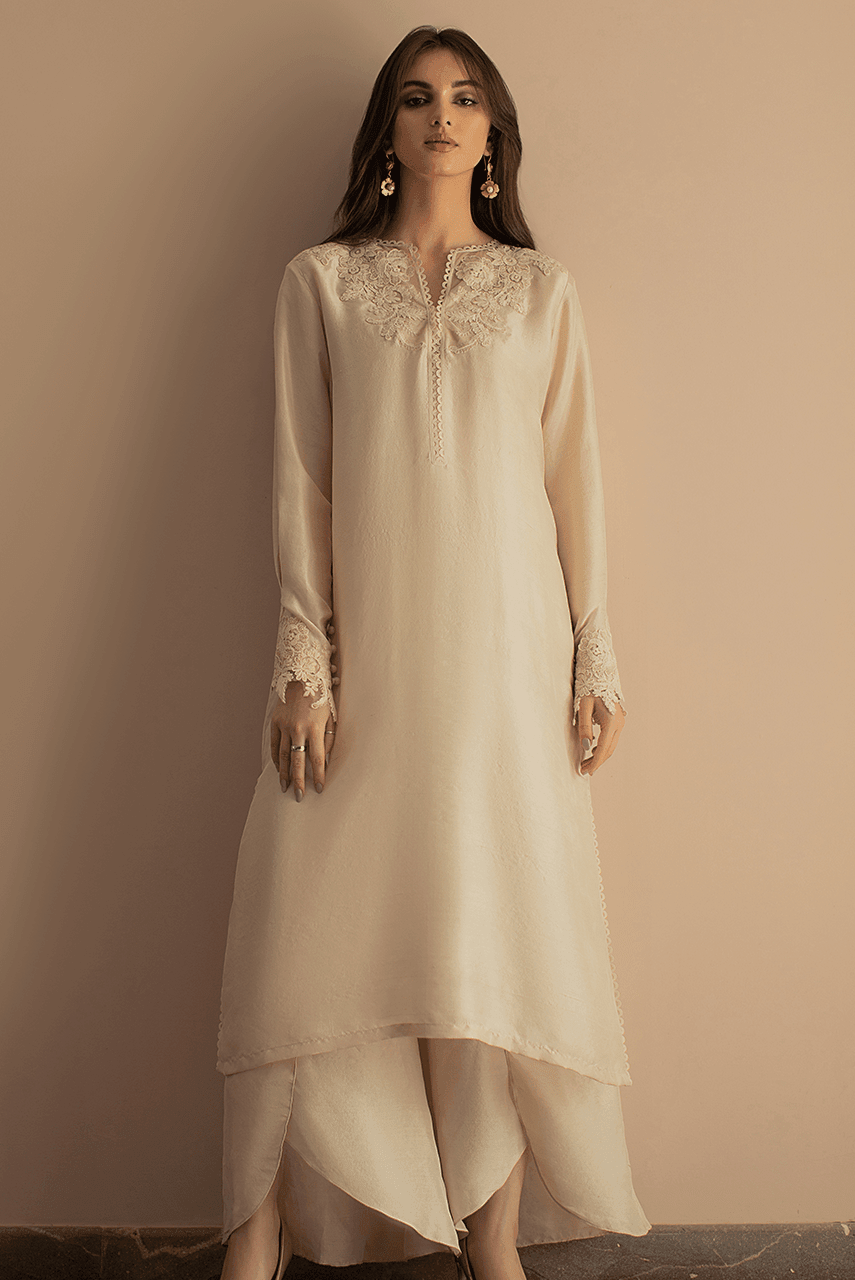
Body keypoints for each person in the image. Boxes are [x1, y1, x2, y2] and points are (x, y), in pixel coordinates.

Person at [217, 25, 651, 1280]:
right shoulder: (320, 283)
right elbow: (301, 482)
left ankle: (490, 1245)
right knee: (298, 925)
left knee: (489, 932)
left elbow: (575, 486)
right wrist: (304, 663)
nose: (442, 116)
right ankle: (255, 1234)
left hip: (506, 667)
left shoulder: (541, 292)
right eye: (417, 98)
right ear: (388, 130)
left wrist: (594, 652)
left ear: (494, 133)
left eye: (465, 98)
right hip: (369, 663)